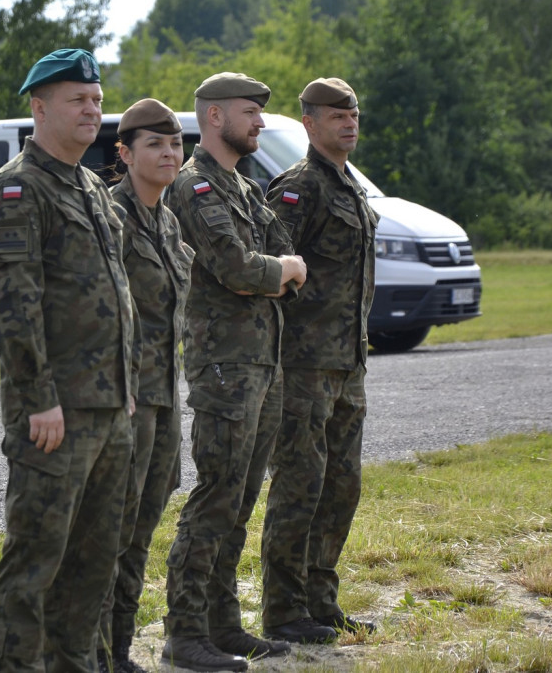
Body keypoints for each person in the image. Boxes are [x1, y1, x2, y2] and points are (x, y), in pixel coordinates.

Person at [0, 48, 138, 673]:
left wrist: (125, 386)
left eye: (96, 99)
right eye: (78, 99)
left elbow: (112, 295)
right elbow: (13, 304)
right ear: (40, 108)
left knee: (94, 566)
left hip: (107, 408)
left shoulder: (93, 186)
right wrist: (39, 397)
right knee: (35, 565)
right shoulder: (18, 189)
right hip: (55, 413)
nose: (92, 110)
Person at [160, 72, 307, 673]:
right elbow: (237, 266)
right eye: (250, 113)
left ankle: (222, 625)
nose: (261, 123)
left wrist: (280, 268)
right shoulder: (195, 187)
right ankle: (185, 631)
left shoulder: (244, 188)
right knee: (216, 495)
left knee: (241, 498)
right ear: (214, 117)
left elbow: (282, 255)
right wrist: (282, 270)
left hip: (261, 361)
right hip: (224, 364)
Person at [260, 78, 378, 645]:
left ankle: (320, 602)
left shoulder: (351, 187)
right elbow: (271, 271)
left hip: (348, 365)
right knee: (298, 488)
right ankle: (283, 611)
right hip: (303, 368)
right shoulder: (298, 189)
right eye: (335, 114)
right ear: (309, 124)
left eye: (352, 112)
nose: (348, 121)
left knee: (341, 486)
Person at [96, 99, 194, 673]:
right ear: (126, 154)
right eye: (155, 145)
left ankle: (121, 649)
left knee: (141, 529)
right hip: (125, 400)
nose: (169, 154)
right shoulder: (110, 216)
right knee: (111, 530)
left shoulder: (166, 219)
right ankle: (95, 652)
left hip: (163, 401)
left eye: (175, 144)